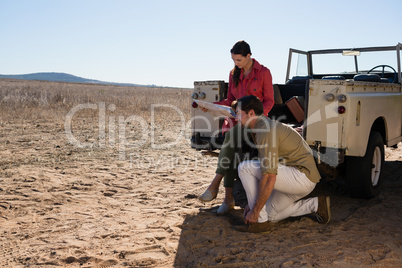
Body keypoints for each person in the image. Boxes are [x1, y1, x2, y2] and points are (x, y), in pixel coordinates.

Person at [231, 95, 330, 233]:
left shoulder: (265, 130)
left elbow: (269, 176)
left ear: (251, 113)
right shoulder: (262, 127)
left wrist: (255, 210)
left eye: (238, 114)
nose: (236, 118)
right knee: (270, 215)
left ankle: (259, 223)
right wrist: (254, 205)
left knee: (245, 168)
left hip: (301, 176)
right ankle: (315, 205)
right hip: (300, 178)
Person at [198, 41, 274, 216]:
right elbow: (230, 100)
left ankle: (218, 187)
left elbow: (269, 100)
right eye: (233, 60)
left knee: (231, 139)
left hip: (255, 121)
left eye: (239, 60)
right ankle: (227, 198)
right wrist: (211, 106)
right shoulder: (234, 74)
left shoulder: (263, 72)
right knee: (231, 147)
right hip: (236, 120)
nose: (236, 63)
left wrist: (257, 116)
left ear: (249, 56)